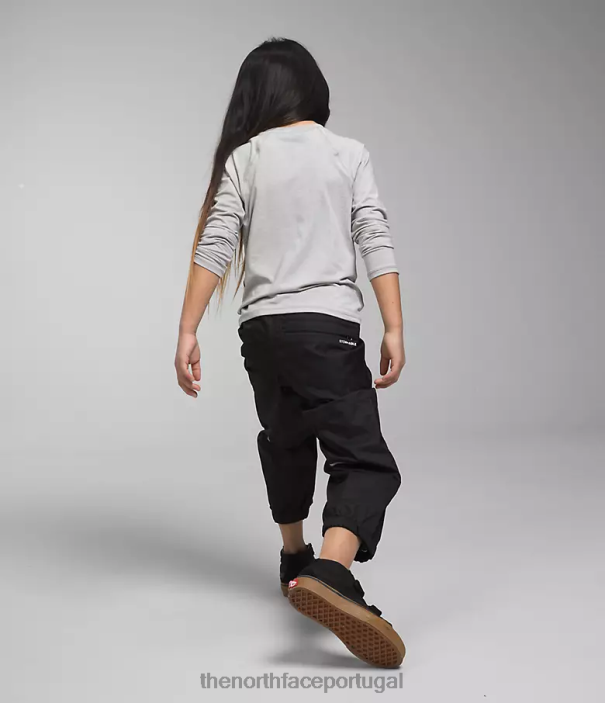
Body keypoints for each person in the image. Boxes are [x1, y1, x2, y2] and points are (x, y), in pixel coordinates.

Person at [175, 37, 406, 668]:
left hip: (261, 334)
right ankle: (333, 571)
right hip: (326, 329)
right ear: (314, 90)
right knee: (364, 459)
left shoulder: (245, 156)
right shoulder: (346, 152)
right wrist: (393, 325)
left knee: (287, 439)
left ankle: (294, 558)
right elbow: (373, 234)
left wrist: (188, 330)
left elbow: (216, 242)